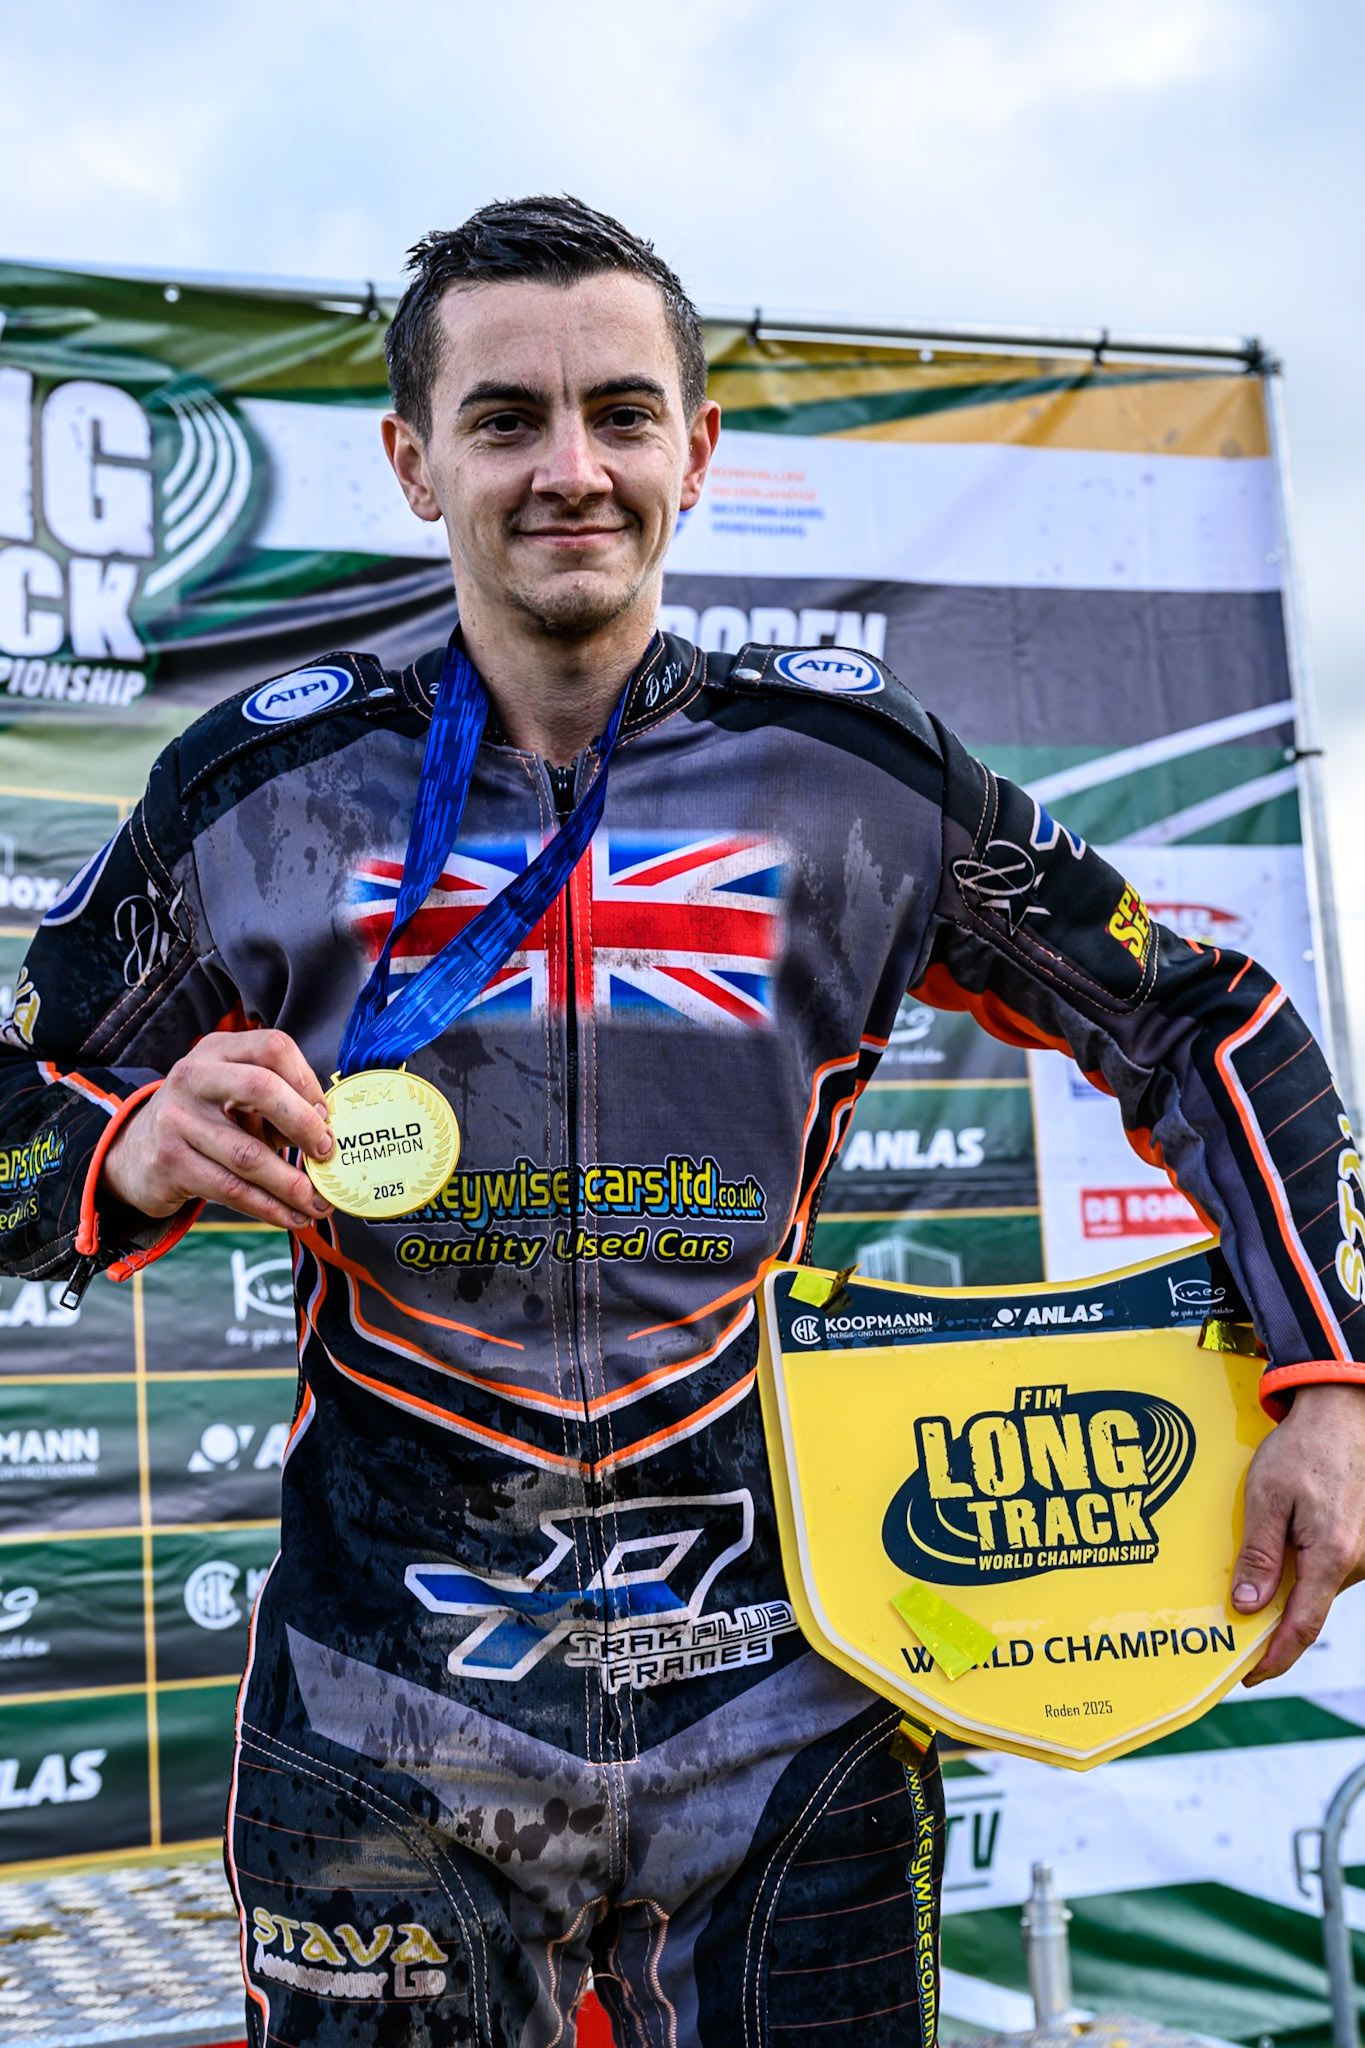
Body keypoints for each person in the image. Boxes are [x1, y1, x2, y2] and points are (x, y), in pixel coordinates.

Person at [1, 195, 1362, 2048]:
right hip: (385, 1702)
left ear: (696, 450)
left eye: (622, 414)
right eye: (505, 421)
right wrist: (120, 1149)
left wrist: (1331, 1382)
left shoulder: (853, 776)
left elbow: (1207, 1021)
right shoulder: (259, 788)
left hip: (785, 1700)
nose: (572, 469)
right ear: (414, 463)